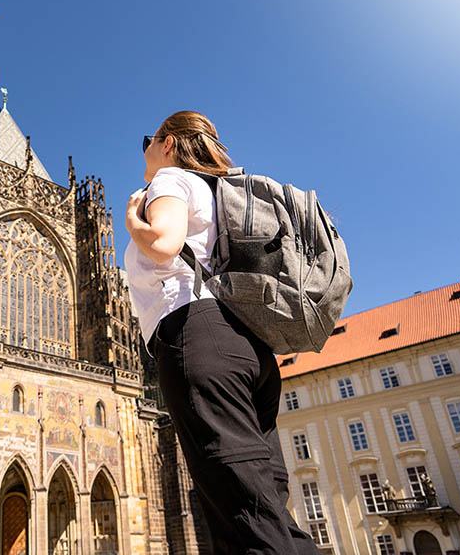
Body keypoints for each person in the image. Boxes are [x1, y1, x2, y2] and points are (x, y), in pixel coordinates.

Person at [124, 111, 319, 554]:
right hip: (249, 348)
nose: (146, 150)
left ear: (169, 143)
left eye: (148, 140)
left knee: (247, 526)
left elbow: (163, 243)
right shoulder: (217, 192)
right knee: (267, 510)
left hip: (199, 338)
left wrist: (135, 216)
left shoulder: (169, 181)